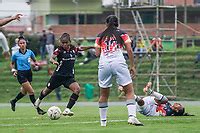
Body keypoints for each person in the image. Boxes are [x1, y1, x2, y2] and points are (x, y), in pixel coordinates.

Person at [95, 15, 143, 126]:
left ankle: (103, 123)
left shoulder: (100, 35)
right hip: (118, 62)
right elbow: (129, 50)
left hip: (104, 64)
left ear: (106, 24)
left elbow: (97, 54)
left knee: (103, 94)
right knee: (129, 91)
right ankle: (132, 117)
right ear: (117, 23)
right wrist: (132, 66)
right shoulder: (122, 33)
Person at [34, 32, 94, 116]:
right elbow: (51, 58)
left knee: (77, 89)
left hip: (68, 77)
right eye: (63, 43)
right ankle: (38, 101)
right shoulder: (59, 50)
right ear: (60, 43)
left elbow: (81, 48)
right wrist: (54, 61)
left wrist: (91, 46)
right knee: (46, 91)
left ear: (69, 42)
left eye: (66, 42)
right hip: (58, 76)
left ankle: (67, 110)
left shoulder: (74, 49)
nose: (65, 44)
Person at [9, 36, 46, 115]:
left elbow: (35, 61)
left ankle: (13, 101)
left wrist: (37, 65)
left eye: (23, 43)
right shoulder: (16, 54)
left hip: (29, 73)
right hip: (21, 74)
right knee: (31, 91)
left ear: (26, 44)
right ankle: (38, 109)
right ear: (18, 45)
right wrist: (13, 70)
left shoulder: (30, 52)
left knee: (24, 92)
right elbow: (12, 63)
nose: (22, 44)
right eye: (20, 43)